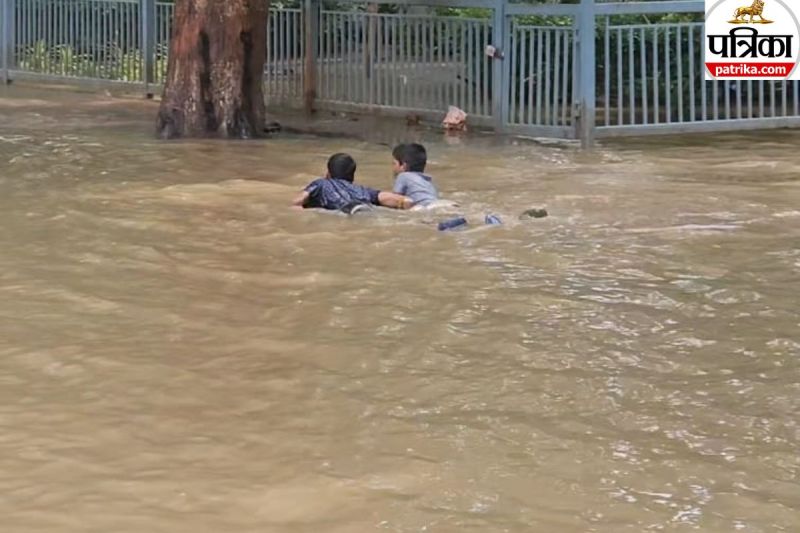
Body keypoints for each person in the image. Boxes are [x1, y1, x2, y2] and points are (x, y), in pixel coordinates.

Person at [293, 153, 412, 212]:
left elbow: (297, 201)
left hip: (343, 211)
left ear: (328, 173)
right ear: (352, 176)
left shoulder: (320, 184)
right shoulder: (362, 190)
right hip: (366, 209)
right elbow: (405, 201)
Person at [391, 143, 440, 208]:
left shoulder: (403, 176)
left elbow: (394, 199)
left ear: (403, 165)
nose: (393, 167)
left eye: (394, 163)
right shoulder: (429, 181)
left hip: (424, 208)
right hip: (437, 205)